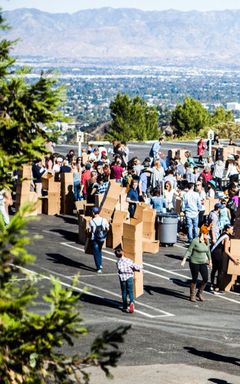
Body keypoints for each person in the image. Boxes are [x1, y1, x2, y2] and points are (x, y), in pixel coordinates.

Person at [181, 224, 212, 302]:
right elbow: (189, 250)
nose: (207, 236)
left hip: (203, 262)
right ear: (203, 233)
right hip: (194, 262)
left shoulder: (206, 241)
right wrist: (184, 259)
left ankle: (199, 293)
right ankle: (192, 295)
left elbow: (208, 251)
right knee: (194, 279)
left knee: (205, 278)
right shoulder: (195, 241)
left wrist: (210, 261)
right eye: (206, 234)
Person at [210, 224, 240, 293]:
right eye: (231, 229)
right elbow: (226, 250)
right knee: (221, 271)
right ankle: (217, 288)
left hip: (214, 253)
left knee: (214, 269)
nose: (232, 230)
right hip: (219, 254)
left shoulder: (222, 234)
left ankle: (211, 285)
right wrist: (234, 259)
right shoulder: (226, 237)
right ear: (227, 229)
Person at [115, 247, 141, 313]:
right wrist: (138, 268)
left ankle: (124, 306)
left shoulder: (118, 262)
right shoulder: (128, 260)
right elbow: (135, 266)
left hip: (122, 278)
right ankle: (131, 302)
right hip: (129, 276)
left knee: (124, 291)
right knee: (130, 291)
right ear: (123, 253)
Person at [88, 207, 109, 273]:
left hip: (94, 239)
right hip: (102, 238)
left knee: (96, 252)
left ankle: (98, 267)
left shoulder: (91, 221)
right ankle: (100, 263)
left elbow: (89, 230)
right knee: (99, 250)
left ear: (93, 213)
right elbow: (107, 228)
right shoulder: (104, 219)